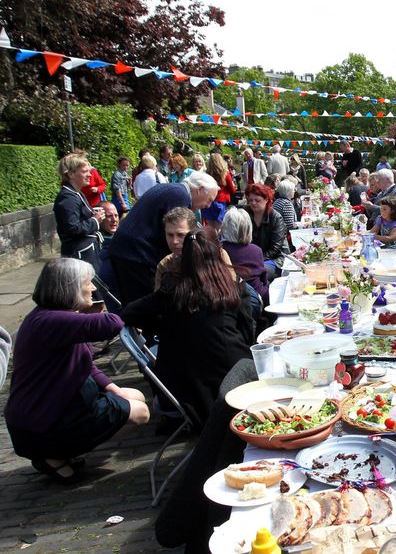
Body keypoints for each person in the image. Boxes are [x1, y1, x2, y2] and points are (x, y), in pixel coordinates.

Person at [4, 258, 150, 483]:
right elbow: (110, 324)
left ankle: (63, 450)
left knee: (134, 396)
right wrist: (132, 312)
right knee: (141, 413)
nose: (93, 288)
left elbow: (85, 363)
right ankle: (55, 454)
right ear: (70, 287)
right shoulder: (51, 321)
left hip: (46, 410)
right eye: (88, 282)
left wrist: (114, 389)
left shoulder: (51, 316)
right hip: (41, 420)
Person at [123, 230, 254, 428]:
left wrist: (165, 327)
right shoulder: (233, 289)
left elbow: (130, 312)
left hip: (179, 392)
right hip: (232, 387)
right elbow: (247, 335)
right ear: (219, 254)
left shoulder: (171, 289)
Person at [106, 171, 218, 307]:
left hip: (127, 250)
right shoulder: (180, 196)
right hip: (137, 255)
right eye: (209, 200)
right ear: (200, 190)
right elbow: (174, 238)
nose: (208, 205)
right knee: (143, 306)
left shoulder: (173, 189)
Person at [54, 153, 104, 270]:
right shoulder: (67, 198)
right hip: (78, 255)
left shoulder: (75, 193)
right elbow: (72, 228)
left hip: (85, 252)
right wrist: (94, 220)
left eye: (89, 171)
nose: (89, 175)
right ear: (71, 174)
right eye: (84, 171)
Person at [221, 207, 270, 303]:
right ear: (248, 228)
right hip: (254, 299)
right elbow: (263, 279)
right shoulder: (255, 250)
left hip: (227, 299)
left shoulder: (218, 249)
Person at [245, 183, 287, 279]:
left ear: (266, 200)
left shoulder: (275, 218)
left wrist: (256, 260)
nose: (253, 203)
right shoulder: (245, 214)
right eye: (250, 200)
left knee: (259, 273)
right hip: (251, 259)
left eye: (257, 200)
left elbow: (275, 249)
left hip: (274, 259)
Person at [203, 153, 235, 224]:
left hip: (208, 202)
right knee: (219, 228)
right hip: (221, 203)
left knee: (210, 226)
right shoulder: (226, 174)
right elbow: (232, 190)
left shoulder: (206, 174)